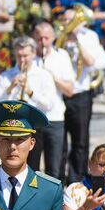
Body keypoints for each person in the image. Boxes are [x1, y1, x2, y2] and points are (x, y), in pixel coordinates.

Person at [0, 36, 63, 176]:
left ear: (33, 54)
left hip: (43, 123)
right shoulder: (6, 76)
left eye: (25, 55)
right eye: (19, 56)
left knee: (53, 168)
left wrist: (30, 92)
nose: (22, 59)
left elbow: (49, 104)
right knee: (28, 168)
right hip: (20, 127)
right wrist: (10, 88)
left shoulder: (43, 75)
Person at [59, 10, 105, 180]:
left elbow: (93, 62)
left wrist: (77, 41)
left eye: (71, 19)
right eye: (65, 19)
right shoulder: (57, 34)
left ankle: (77, 179)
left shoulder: (89, 36)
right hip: (59, 94)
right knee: (59, 141)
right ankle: (58, 178)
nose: (68, 22)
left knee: (80, 141)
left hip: (80, 93)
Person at [29, 19, 76, 179]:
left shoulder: (61, 56)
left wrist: (53, 78)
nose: (43, 42)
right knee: (31, 167)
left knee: (54, 168)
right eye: (39, 38)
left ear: (53, 38)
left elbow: (70, 90)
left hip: (54, 118)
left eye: (46, 38)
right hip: (33, 119)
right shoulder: (29, 58)